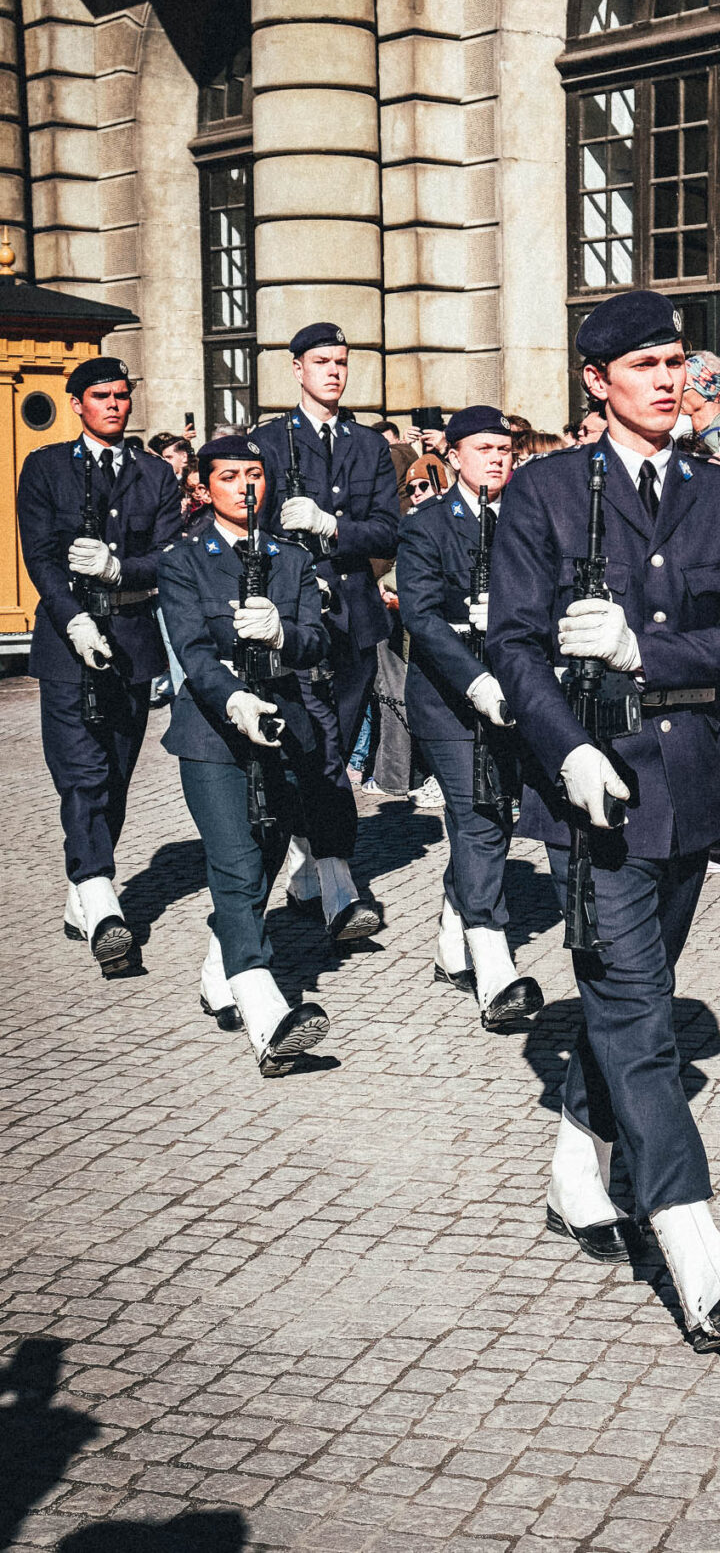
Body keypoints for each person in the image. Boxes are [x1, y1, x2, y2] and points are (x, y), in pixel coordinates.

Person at [488, 289, 720, 1352]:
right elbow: (513, 645)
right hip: (594, 789)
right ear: (596, 381)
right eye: (644, 366)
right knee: (638, 1014)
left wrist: (643, 652)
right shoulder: (544, 492)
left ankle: (574, 1171)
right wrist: (566, 749)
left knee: (633, 998)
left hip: (692, 789)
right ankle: (700, 1257)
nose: (669, 381)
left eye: (677, 363)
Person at [156, 436, 331, 1074]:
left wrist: (284, 635)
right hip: (213, 732)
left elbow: (317, 641)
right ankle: (267, 1014)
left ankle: (219, 973)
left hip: (281, 726)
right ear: (204, 488)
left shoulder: (292, 559)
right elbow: (193, 652)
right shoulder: (184, 560)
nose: (244, 486)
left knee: (263, 860)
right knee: (234, 863)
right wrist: (235, 698)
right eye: (229, 476)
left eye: (254, 474)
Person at [17, 357, 182, 969]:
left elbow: (169, 555)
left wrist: (120, 570)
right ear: (76, 404)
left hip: (131, 643)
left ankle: (81, 894)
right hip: (68, 643)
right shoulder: (46, 467)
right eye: (101, 396)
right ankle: (101, 899)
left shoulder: (154, 473)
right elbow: (40, 554)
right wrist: (73, 618)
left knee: (114, 773)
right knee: (81, 773)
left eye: (121, 395)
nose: (114, 405)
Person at [251, 321, 398, 942]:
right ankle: (335, 878)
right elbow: (252, 532)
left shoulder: (368, 445)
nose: (334, 372)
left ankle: (311, 869)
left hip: (355, 619)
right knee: (313, 747)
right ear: (297, 369)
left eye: (341, 361)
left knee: (333, 744)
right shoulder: (267, 441)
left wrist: (332, 526)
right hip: (296, 620)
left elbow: (389, 530)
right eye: (321, 362)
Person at [397, 406, 540, 1030]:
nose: (497, 458)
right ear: (453, 456)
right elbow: (421, 616)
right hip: (449, 699)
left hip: (517, 693)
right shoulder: (427, 524)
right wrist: (474, 674)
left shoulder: (529, 519)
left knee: (495, 815)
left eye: (504, 449)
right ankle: (494, 964)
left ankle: (452, 940)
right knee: (478, 817)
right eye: (484, 449)